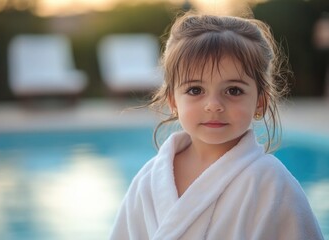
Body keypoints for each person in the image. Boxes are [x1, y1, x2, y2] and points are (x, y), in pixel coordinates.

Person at [109, 12, 324, 240]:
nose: (213, 105)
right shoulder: (148, 180)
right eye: (195, 90)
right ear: (172, 100)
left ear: (261, 101)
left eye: (233, 90)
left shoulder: (272, 183)